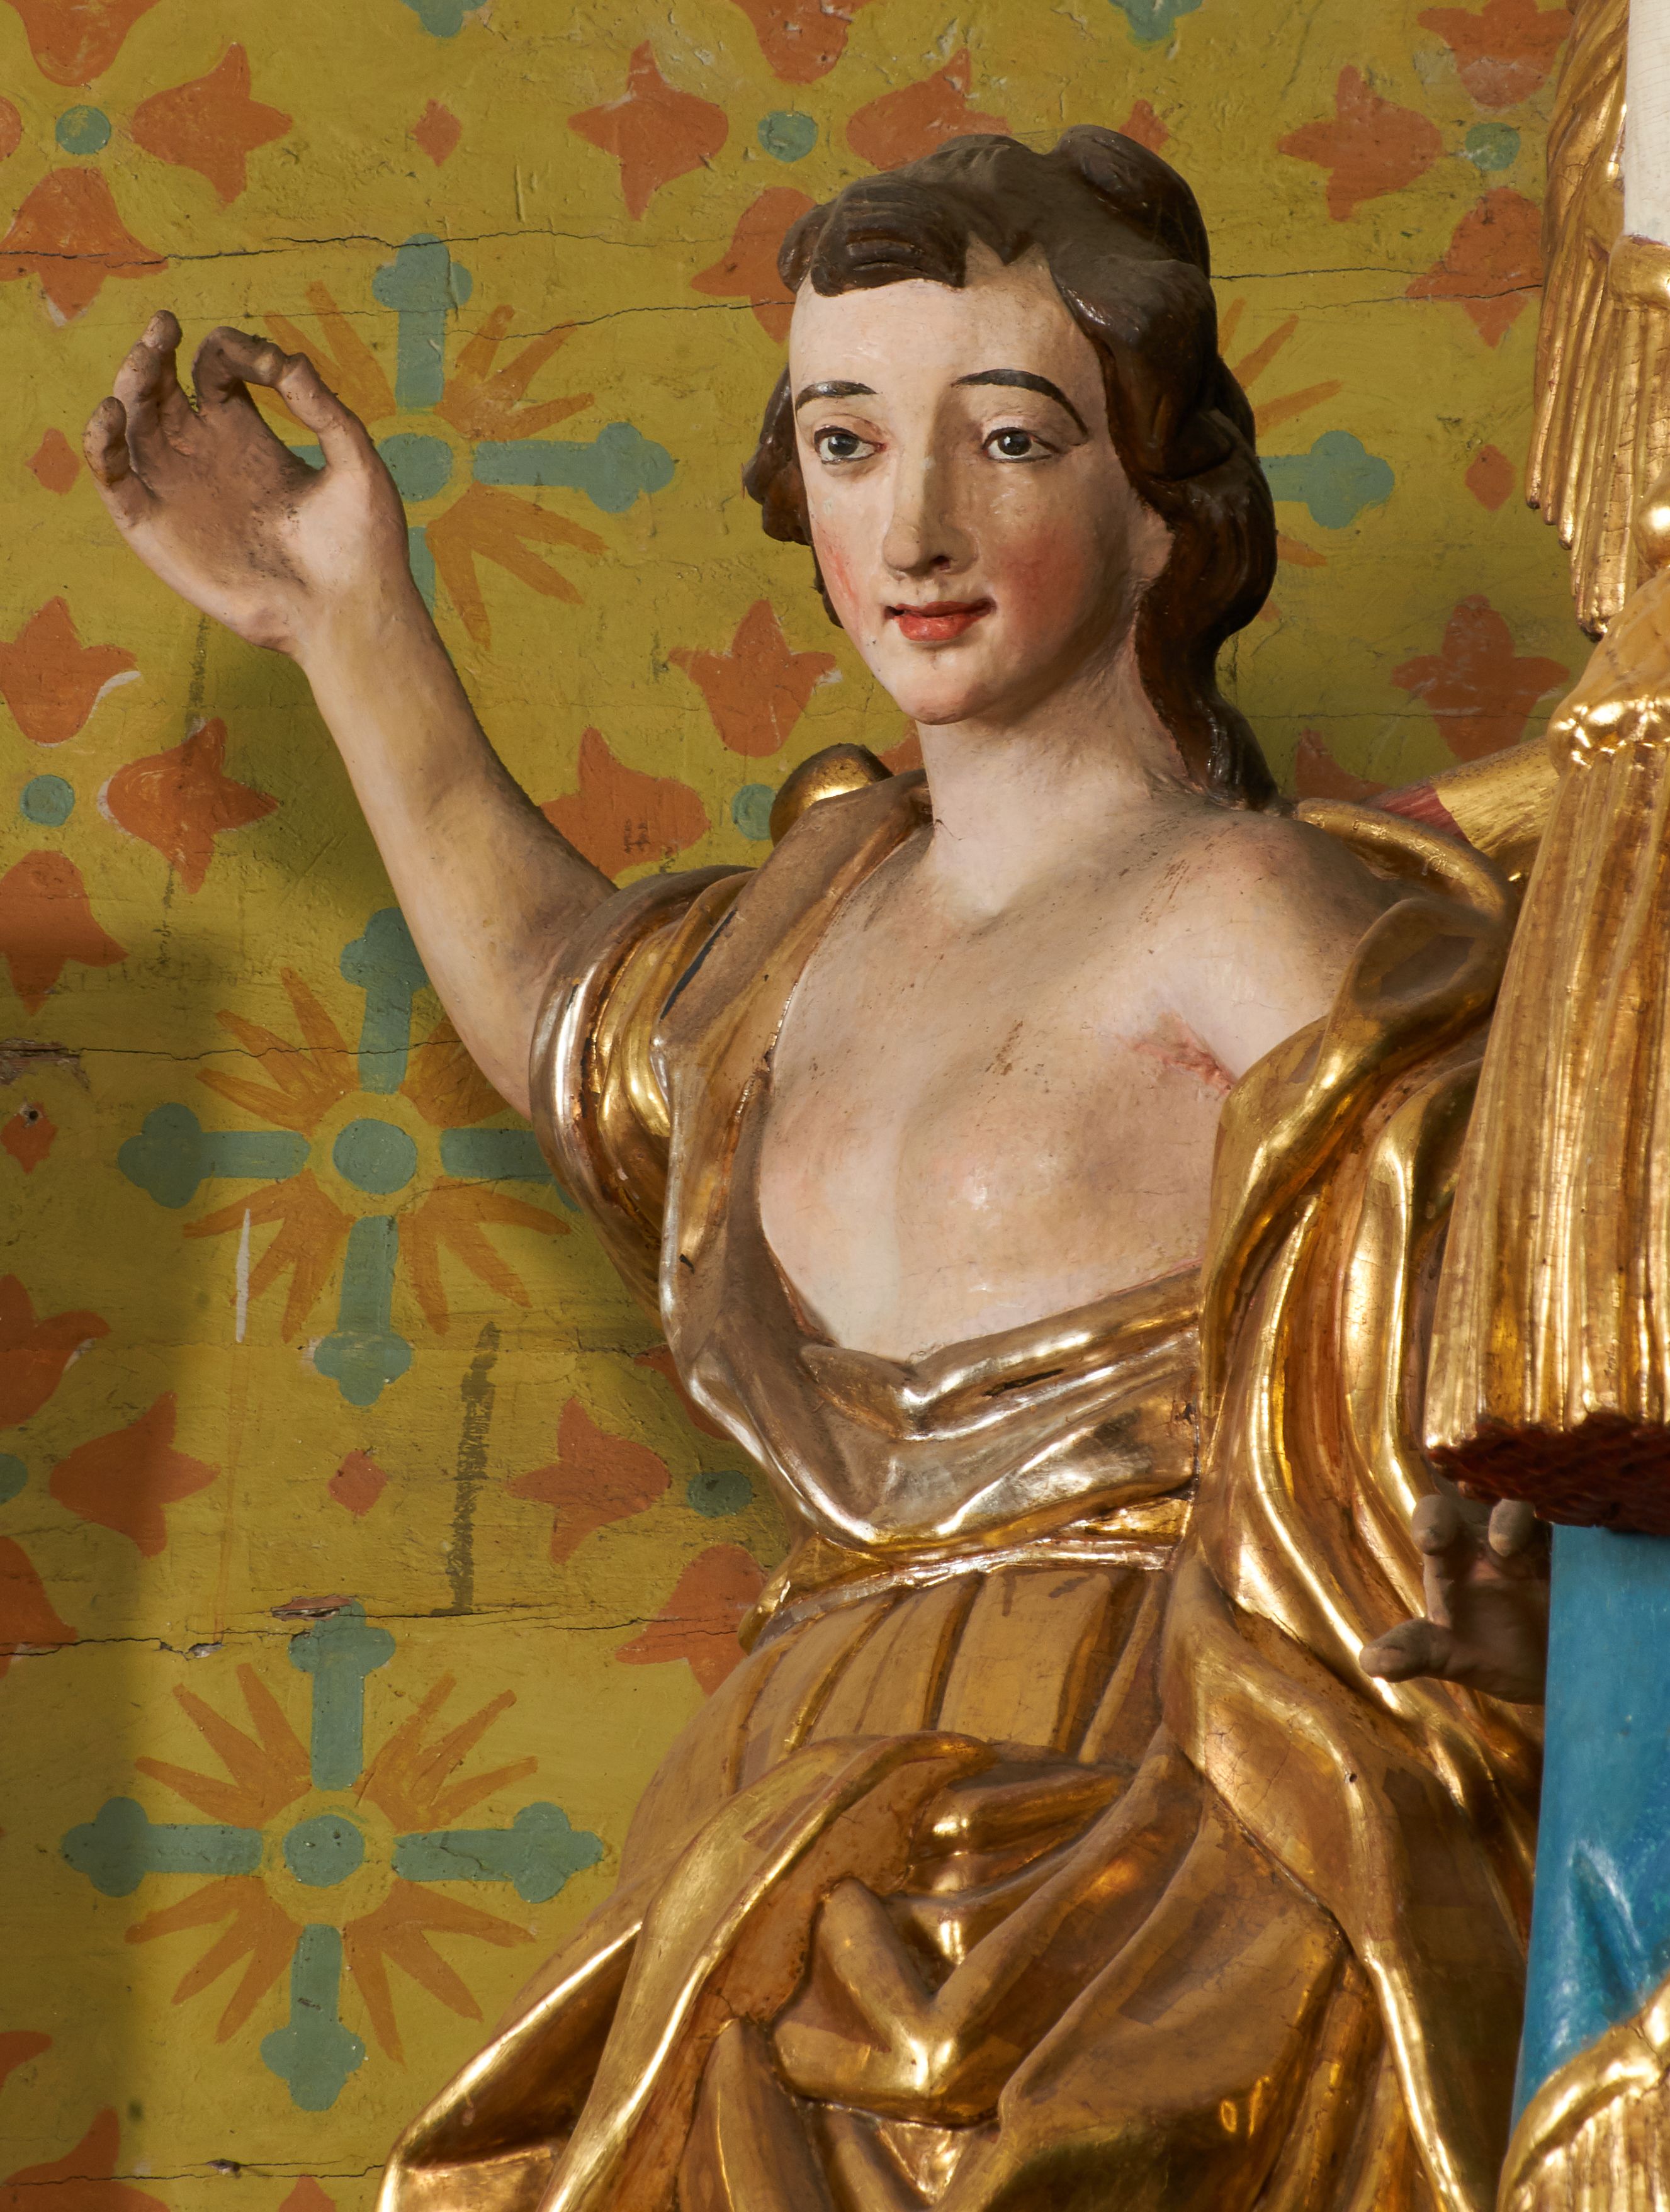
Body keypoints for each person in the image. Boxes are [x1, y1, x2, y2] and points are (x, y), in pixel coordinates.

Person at [87, 128, 1548, 2212]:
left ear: (1161, 504)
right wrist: (347, 618)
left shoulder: (1236, 910)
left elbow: (1486, 1299)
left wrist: (1491, 1562)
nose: (914, 525)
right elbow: (569, 1009)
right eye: (848, 442)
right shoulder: (810, 924)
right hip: (767, 1832)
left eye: (1010, 438)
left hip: (1135, 1806)